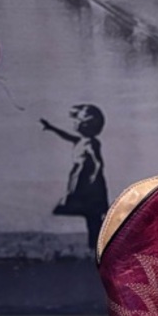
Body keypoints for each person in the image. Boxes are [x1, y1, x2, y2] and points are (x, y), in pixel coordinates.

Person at [42, 103, 109, 252]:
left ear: (86, 124)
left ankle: (96, 245)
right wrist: (51, 128)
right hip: (81, 178)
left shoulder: (91, 143)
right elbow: (67, 136)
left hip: (89, 181)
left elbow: (98, 162)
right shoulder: (81, 140)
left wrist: (93, 176)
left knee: (92, 214)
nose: (74, 124)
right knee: (89, 214)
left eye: (77, 121)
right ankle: (95, 245)